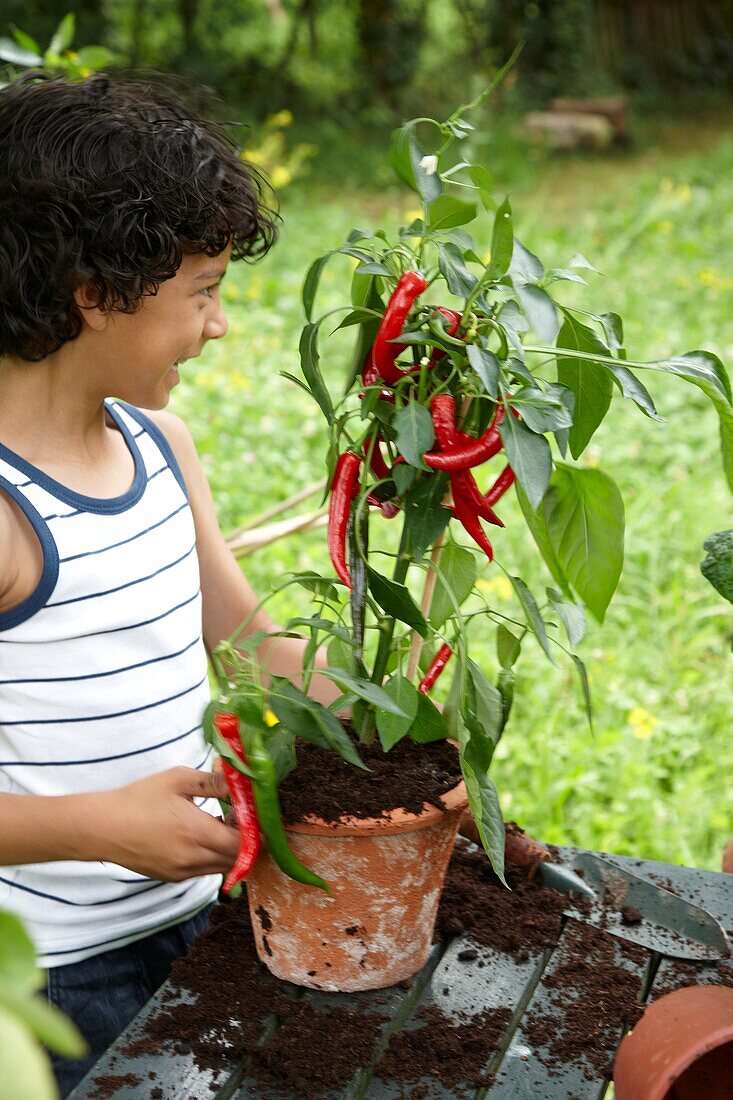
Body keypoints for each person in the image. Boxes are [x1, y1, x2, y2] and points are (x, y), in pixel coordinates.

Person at [0, 71, 337, 1097]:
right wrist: (92, 823)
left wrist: (403, 718)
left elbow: (249, 643)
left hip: (204, 920)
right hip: (52, 983)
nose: (220, 324)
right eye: (203, 291)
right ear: (93, 295)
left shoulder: (160, 445)